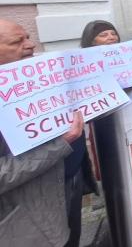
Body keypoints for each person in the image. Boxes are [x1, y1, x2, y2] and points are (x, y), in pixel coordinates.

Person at [0, 19, 84, 247]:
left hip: (66, 188)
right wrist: (61, 144)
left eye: (28, 37)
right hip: (25, 223)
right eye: (18, 41)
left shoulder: (38, 77)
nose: (30, 45)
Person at [58, 21, 120, 247]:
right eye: (104, 35)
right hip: (93, 131)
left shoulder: (124, 57)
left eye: (113, 33)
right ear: (90, 40)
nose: (111, 38)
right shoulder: (78, 66)